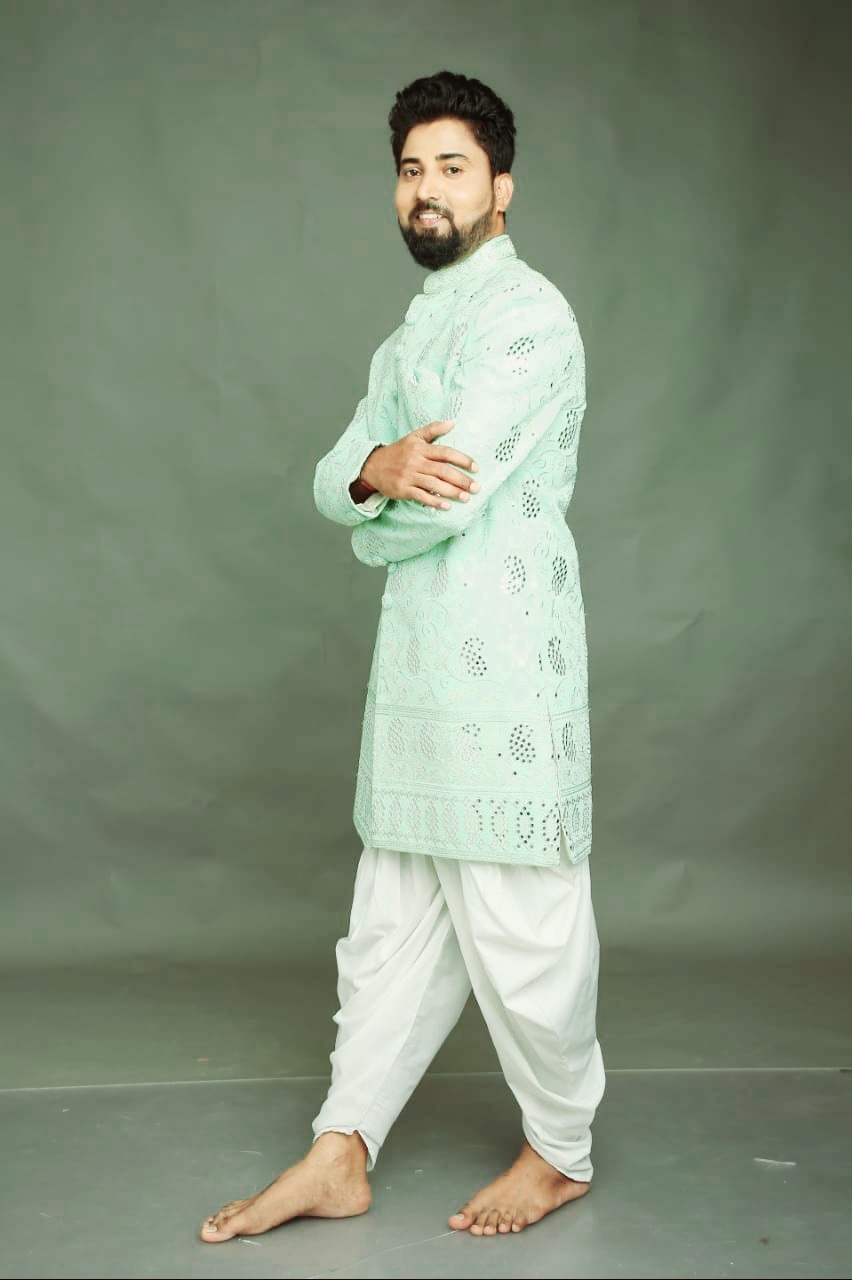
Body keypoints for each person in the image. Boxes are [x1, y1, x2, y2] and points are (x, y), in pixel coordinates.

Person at [200, 68, 604, 1244]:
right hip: (419, 666)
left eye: (453, 168)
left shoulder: (530, 317)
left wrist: (375, 502)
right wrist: (375, 473)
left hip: (507, 668)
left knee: (524, 923)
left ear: (502, 188)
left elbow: (443, 495)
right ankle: (342, 1149)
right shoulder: (411, 333)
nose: (427, 189)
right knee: (389, 924)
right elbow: (337, 474)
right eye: (411, 169)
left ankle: (560, 1149)